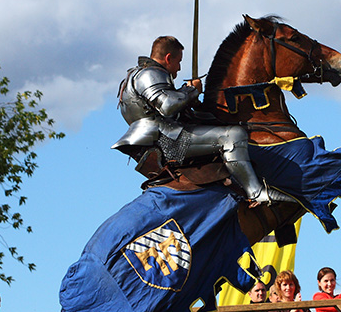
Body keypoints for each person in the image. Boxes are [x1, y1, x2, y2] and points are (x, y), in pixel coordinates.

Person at [112, 35, 291, 205]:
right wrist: (192, 90)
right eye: (178, 62)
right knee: (233, 136)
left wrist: (193, 102)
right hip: (166, 140)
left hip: (162, 134)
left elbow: (170, 111)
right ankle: (257, 193)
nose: (179, 68)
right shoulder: (149, 74)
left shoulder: (137, 74)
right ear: (168, 58)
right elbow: (167, 107)